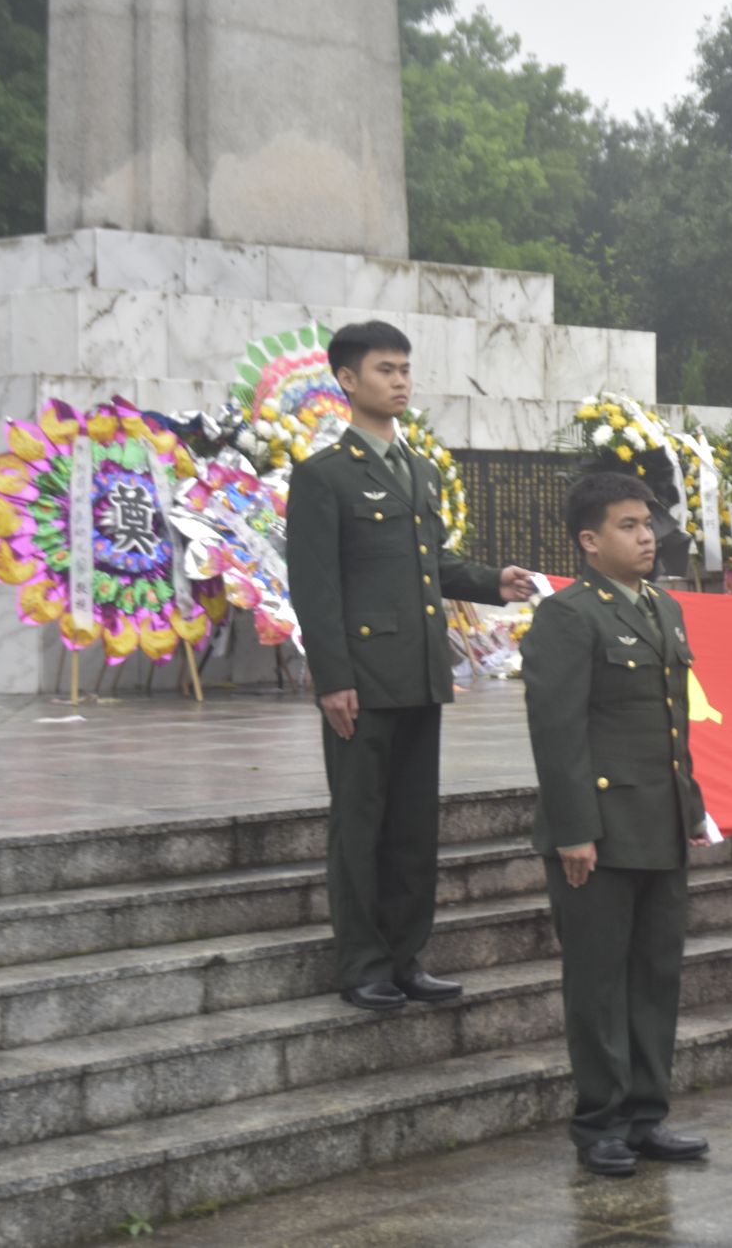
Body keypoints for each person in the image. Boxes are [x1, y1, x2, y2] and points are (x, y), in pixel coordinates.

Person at [287, 321, 534, 1013]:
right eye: (385, 369)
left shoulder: (417, 470)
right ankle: (363, 963)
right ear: (347, 380)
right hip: (362, 680)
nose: (400, 381)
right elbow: (314, 587)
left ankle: (406, 957)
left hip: (420, 672)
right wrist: (334, 678)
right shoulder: (324, 475)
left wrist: (492, 581)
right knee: (361, 825)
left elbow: (431, 564)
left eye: (404, 369)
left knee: (413, 827)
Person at [520, 472, 713, 1176]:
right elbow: (558, 731)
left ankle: (645, 1114)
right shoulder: (568, 616)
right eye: (627, 525)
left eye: (647, 524)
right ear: (590, 541)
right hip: (598, 830)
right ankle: (600, 1122)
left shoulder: (664, 609)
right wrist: (575, 829)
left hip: (658, 820)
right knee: (599, 983)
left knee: (656, 975)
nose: (646, 537)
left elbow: (672, 724)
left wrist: (690, 806)